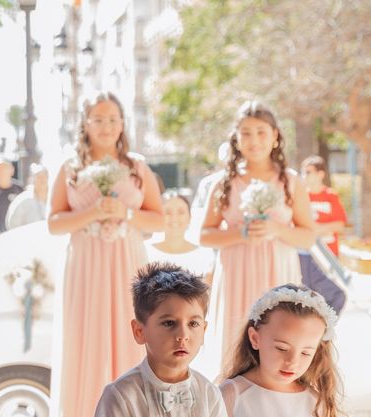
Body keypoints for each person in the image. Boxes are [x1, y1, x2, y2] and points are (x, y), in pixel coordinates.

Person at [48, 91, 164, 417]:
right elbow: (54, 223)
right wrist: (93, 212)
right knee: (86, 341)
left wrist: (126, 213)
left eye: (113, 118)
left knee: (131, 340)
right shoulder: (69, 167)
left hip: (126, 262)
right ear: (85, 123)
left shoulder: (137, 166)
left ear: (122, 123)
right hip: (85, 266)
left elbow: (158, 220)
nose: (106, 126)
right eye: (98, 119)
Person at [89, 263, 242, 417]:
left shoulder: (209, 393)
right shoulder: (121, 395)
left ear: (204, 330)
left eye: (193, 324)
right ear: (139, 331)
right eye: (169, 323)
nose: (183, 334)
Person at [201, 100, 316, 367]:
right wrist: (241, 233)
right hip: (236, 274)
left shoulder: (291, 181)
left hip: (277, 273)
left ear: (275, 136)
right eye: (246, 133)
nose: (254, 140)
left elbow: (308, 237)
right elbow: (204, 235)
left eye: (261, 132)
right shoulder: (224, 183)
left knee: (279, 344)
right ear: (236, 138)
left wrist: (276, 229)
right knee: (235, 349)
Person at [219, 284, 345, 417]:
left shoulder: (313, 400)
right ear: (255, 338)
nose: (292, 361)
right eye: (281, 348)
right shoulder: (232, 394)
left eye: (305, 353)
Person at [146, 190, 215, 282]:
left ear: (190, 217)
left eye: (181, 212)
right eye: (167, 212)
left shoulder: (205, 254)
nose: (174, 218)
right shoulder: (146, 252)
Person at [300, 155, 347, 257]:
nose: (304, 176)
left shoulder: (331, 196)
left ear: (320, 174)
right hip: (307, 253)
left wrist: (317, 229)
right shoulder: (300, 197)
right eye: (303, 172)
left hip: (329, 254)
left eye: (308, 172)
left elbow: (340, 225)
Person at [5, 163, 49, 229]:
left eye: (44, 176)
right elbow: (12, 224)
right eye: (38, 176)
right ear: (32, 179)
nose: (42, 179)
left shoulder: (53, 198)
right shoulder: (23, 200)